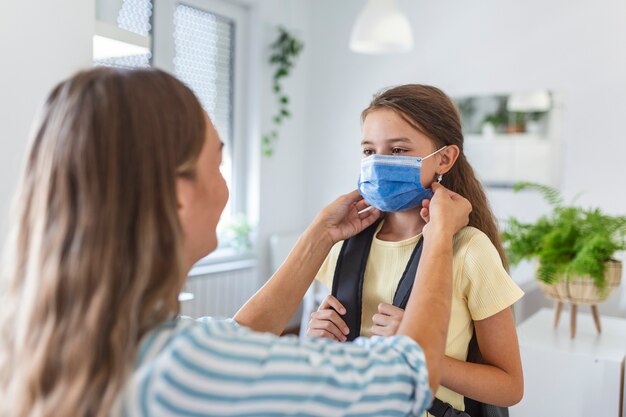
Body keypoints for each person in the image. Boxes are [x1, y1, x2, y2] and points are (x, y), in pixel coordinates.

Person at [0, 68, 472, 417]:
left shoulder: (57, 338)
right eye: (216, 164)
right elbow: (407, 379)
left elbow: (235, 336)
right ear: (180, 195)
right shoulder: (181, 366)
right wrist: (437, 241)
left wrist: (319, 236)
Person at [307, 85, 524, 416]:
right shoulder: (343, 245)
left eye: (396, 150)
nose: (378, 162)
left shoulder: (470, 250)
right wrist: (318, 338)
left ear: (444, 158)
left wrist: (417, 348)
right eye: (369, 151)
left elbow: (509, 387)